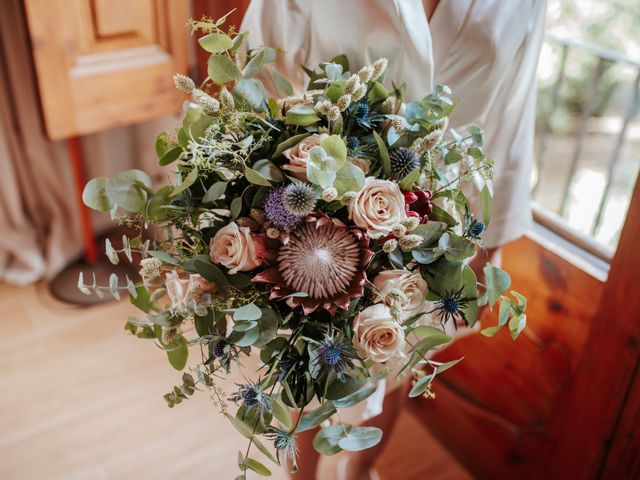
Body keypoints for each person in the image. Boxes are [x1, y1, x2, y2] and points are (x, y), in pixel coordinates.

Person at [241, 1, 546, 478]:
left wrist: (494, 238)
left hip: (444, 223)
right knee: (312, 362)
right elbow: (256, 75)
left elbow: (512, 114)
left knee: (402, 358)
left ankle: (360, 473)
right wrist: (248, 201)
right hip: (319, 204)